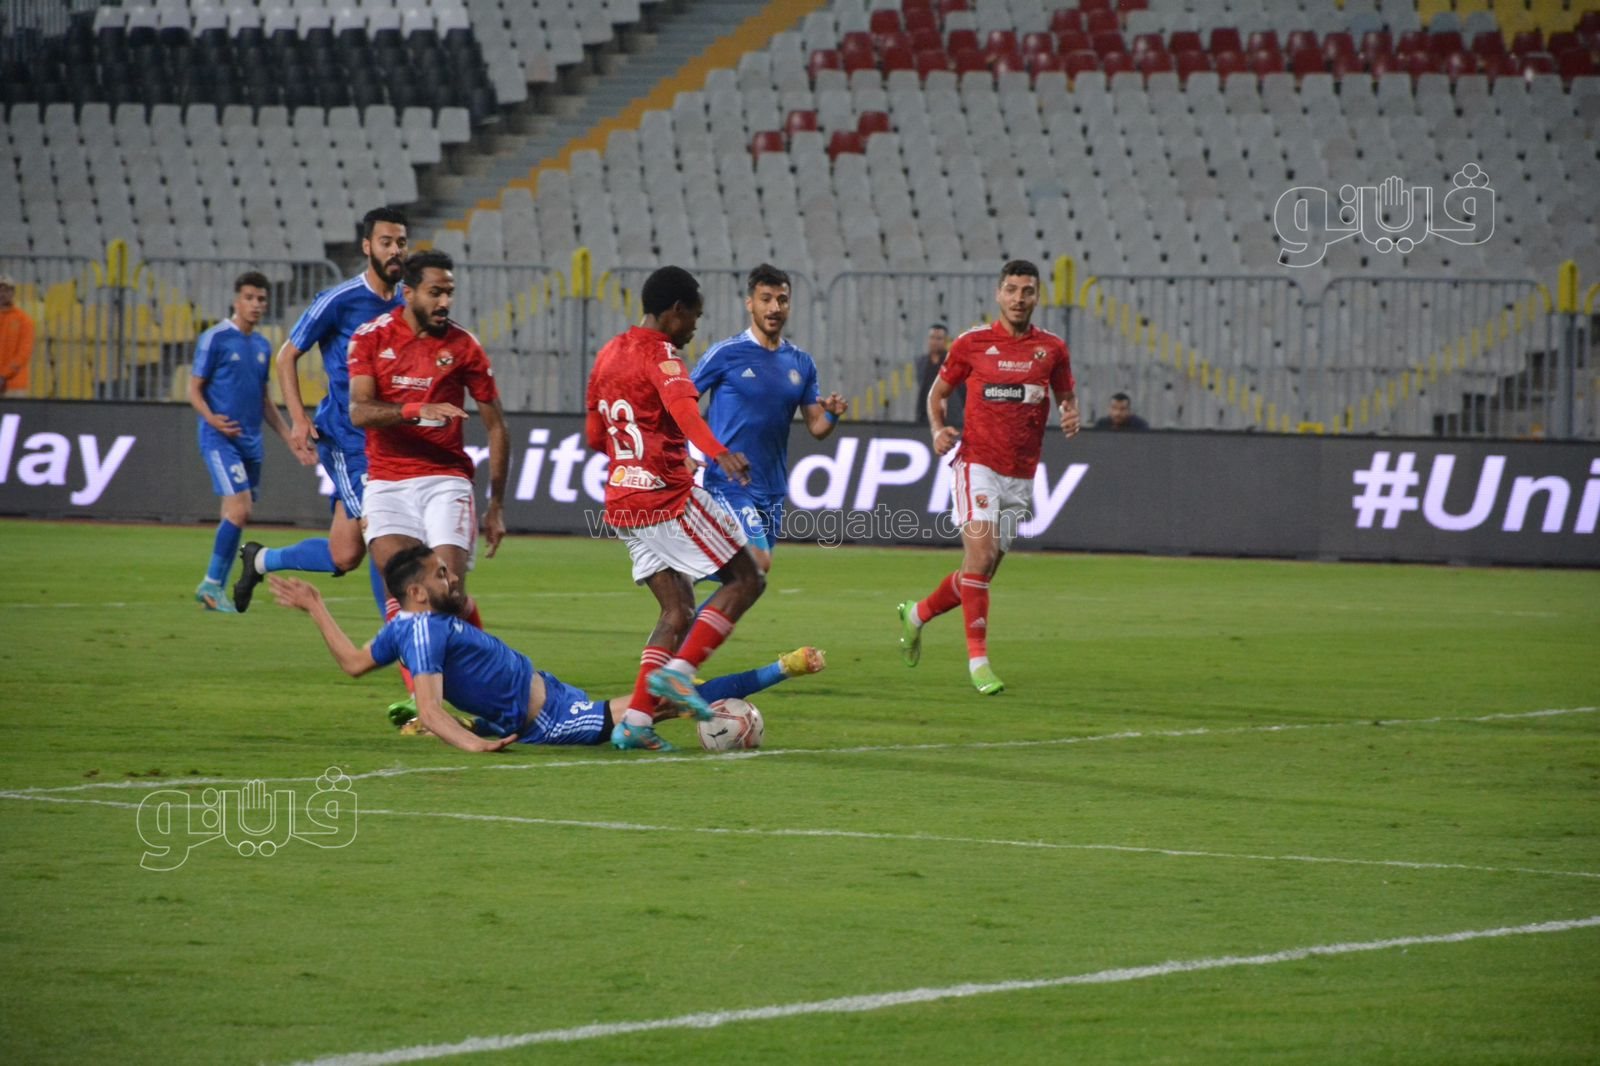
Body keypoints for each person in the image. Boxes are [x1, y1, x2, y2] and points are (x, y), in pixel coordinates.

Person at [267, 546, 827, 753]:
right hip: (553, 719)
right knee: (667, 701)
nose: (451, 576)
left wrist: (317, 606)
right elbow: (431, 708)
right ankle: (782, 667)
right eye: (440, 574)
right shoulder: (421, 632)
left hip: (551, 694)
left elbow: (354, 664)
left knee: (662, 701)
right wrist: (474, 745)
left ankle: (779, 669)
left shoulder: (407, 627)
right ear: (416, 592)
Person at [585, 265, 766, 751]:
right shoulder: (662, 355)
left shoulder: (607, 353)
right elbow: (685, 412)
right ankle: (682, 672)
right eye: (694, 318)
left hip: (622, 501)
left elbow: (595, 436)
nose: (694, 329)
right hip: (665, 498)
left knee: (677, 608)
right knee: (747, 579)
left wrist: (637, 457)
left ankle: (636, 722)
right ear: (675, 311)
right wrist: (718, 452)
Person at [896, 259, 1079, 695]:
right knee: (980, 557)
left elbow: (1066, 394)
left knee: (981, 572)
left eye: (1027, 291)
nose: (1019, 298)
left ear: (1037, 297)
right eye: (1011, 290)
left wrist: (1071, 412)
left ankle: (916, 614)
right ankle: (979, 663)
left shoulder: (1052, 349)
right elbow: (938, 394)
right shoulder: (972, 343)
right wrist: (938, 430)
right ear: (998, 294)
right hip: (976, 464)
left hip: (1021, 475)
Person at [343, 249, 509, 711]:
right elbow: (359, 411)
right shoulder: (370, 337)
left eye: (449, 293)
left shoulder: (464, 346)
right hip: (387, 482)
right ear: (409, 292)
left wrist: (496, 505)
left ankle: (496, 685)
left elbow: (497, 427)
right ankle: (423, 701)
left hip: (444, 479)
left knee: (447, 593)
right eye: (436, 292)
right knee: (406, 596)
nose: (445, 302)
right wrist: (416, 410)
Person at [230, 207, 409, 615]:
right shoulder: (338, 300)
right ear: (367, 247)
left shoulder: (408, 303)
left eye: (401, 242)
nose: (395, 250)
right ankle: (400, 634)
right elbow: (286, 355)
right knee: (382, 528)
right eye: (386, 242)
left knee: (344, 554)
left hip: (390, 440)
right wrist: (298, 419)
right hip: (349, 438)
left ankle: (260, 560)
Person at [690, 263, 847, 572]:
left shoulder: (801, 363)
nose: (775, 307)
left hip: (772, 486)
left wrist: (831, 414)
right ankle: (679, 577)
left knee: (751, 578)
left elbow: (817, 427)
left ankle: (684, 586)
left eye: (782, 300)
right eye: (766, 299)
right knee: (757, 562)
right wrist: (686, 452)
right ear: (750, 303)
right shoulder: (725, 353)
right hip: (730, 481)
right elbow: (681, 402)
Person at [186, 271, 306, 611]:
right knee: (240, 510)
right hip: (219, 438)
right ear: (236, 300)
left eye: (261, 299)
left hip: (251, 443)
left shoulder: (263, 346)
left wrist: (288, 435)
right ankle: (210, 584)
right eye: (249, 298)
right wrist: (211, 419)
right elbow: (193, 389)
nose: (256, 304)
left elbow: (264, 400)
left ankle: (214, 593)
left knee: (234, 513)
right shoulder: (215, 337)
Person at [914, 323, 962, 428]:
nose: (935, 342)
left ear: (945, 341)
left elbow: (963, 391)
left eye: (939, 338)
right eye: (932, 338)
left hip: (951, 419)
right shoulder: (921, 362)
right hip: (926, 418)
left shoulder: (954, 362)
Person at [0, 273, 35, 397]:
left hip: (14, 385)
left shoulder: (24, 320)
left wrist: (4, 375)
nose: (2, 294)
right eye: (0, 290)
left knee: (12, 410)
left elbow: (24, 353)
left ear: (13, 292)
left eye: (6, 290)